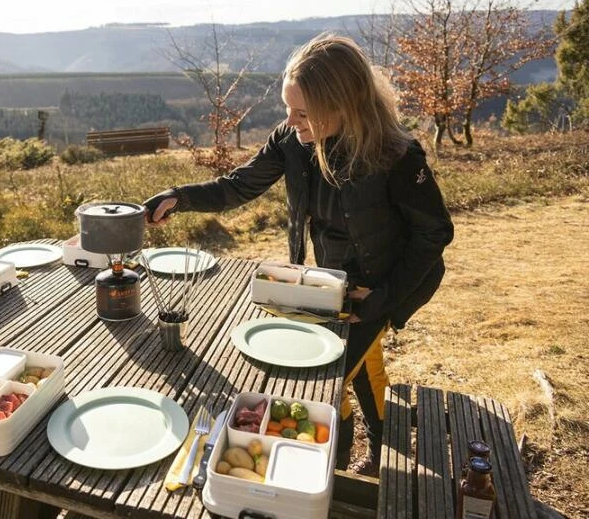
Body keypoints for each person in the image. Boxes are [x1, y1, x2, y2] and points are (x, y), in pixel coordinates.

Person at [142, 33, 454, 476]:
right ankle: (365, 455)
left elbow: (434, 234)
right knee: (354, 363)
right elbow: (238, 185)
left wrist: (383, 298)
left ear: (342, 104)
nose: (291, 120)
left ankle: (347, 466)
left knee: (329, 372)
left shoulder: (396, 155)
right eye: (288, 108)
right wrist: (180, 196)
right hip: (331, 280)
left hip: (390, 279)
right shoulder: (293, 140)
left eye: (302, 112)